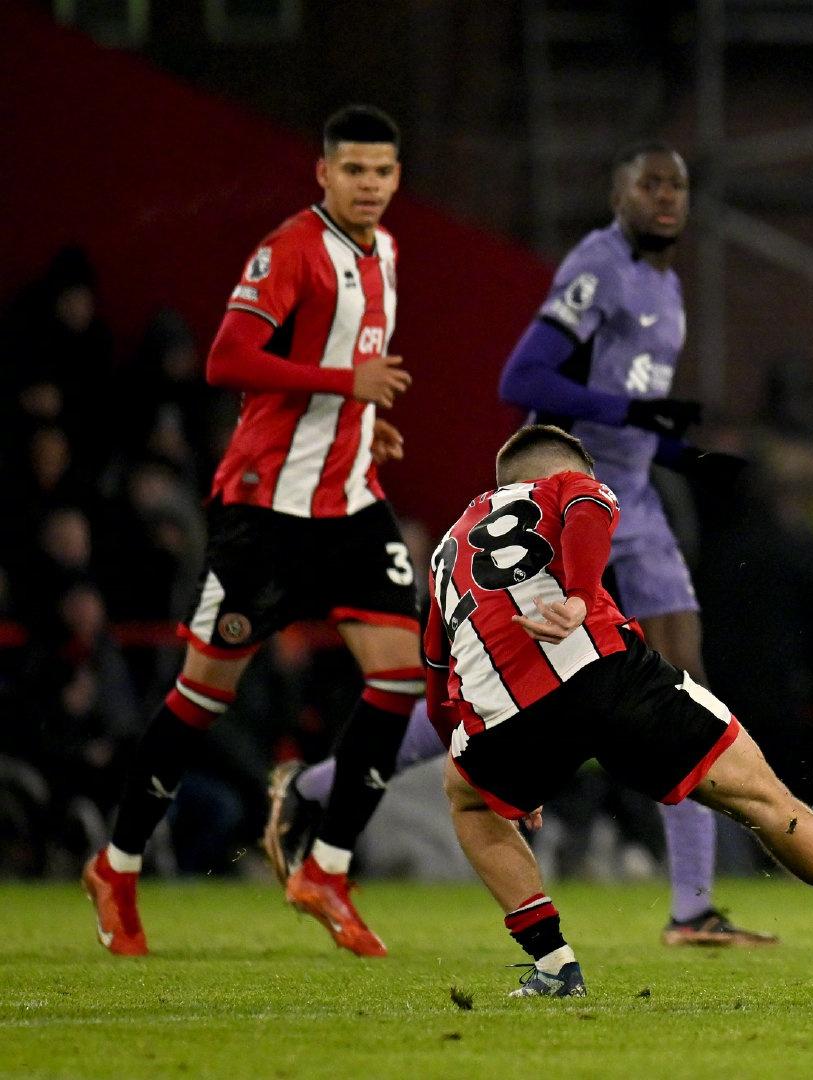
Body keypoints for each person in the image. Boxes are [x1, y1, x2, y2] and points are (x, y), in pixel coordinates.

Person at [262, 140, 771, 947]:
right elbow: (522, 382)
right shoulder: (596, 267)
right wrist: (634, 417)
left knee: (684, 681)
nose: (666, 197)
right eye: (650, 184)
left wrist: (687, 455)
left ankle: (692, 908)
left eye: (676, 185)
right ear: (618, 193)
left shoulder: (665, 289)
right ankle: (320, 788)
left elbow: (623, 414)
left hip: (633, 501)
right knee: (502, 687)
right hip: (559, 505)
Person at [430, 425, 813, 995]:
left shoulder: (448, 547)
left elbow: (437, 671)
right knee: (761, 798)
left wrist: (492, 767)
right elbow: (587, 503)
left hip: (503, 711)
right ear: (565, 467)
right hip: (608, 674)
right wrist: (581, 594)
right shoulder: (567, 486)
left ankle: (553, 964)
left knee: (467, 800)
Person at [82, 106, 421, 959]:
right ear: (323, 173)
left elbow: (341, 381)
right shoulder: (290, 250)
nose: (371, 186)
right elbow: (226, 358)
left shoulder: (384, 254)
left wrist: (363, 421)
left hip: (349, 503)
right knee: (204, 694)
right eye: (355, 171)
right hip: (265, 512)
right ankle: (117, 865)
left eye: (383, 172)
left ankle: (327, 868)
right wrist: (349, 381)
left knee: (401, 677)